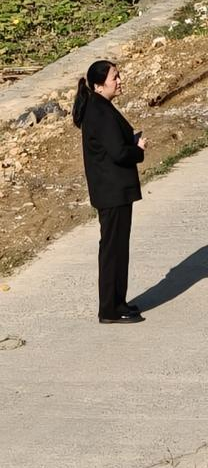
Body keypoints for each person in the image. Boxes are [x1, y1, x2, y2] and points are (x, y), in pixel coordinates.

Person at [73, 58, 146, 323]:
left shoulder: (100, 107)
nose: (119, 80)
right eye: (114, 77)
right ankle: (109, 309)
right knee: (113, 249)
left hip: (114, 190)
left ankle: (118, 301)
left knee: (117, 248)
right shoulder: (99, 112)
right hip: (112, 191)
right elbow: (117, 152)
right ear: (98, 85)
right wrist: (138, 150)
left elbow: (112, 144)